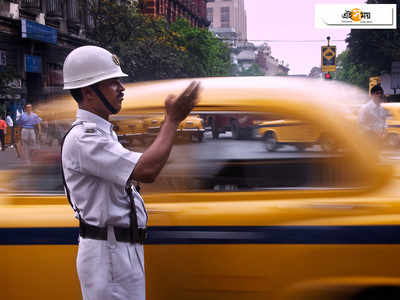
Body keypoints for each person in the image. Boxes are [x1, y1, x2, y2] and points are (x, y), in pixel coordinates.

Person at [61, 45, 201, 300]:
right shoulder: (85, 138)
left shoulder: (103, 132)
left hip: (119, 249)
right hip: (108, 254)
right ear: (88, 92)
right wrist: (172, 120)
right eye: (112, 82)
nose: (121, 88)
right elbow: (147, 169)